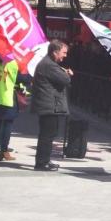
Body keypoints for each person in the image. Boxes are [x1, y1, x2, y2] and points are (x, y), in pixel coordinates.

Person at [32, 40, 73, 171]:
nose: (65, 56)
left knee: (49, 134)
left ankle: (45, 159)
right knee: (47, 135)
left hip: (50, 105)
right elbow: (65, 80)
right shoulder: (49, 65)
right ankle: (41, 162)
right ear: (55, 52)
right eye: (64, 53)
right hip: (48, 106)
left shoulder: (50, 64)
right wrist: (67, 74)